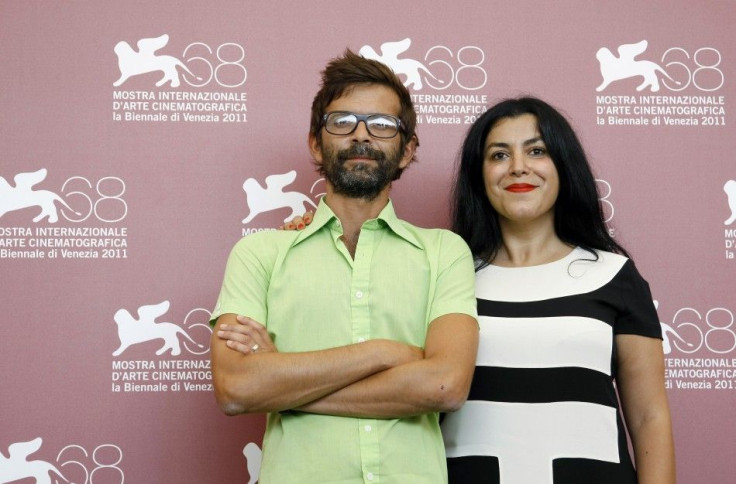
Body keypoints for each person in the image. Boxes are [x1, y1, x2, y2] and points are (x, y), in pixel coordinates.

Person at [209, 49, 479, 484]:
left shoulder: (444, 253)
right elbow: (237, 388)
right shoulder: (259, 255)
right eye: (342, 122)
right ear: (317, 142)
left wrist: (283, 383)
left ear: (407, 149)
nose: (361, 136)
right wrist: (383, 353)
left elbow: (445, 386)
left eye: (382, 125)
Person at [441, 97, 676, 484]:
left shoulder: (615, 276)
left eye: (537, 150)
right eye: (499, 155)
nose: (518, 166)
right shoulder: (446, 275)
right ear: (478, 175)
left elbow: (650, 416)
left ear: (563, 166)